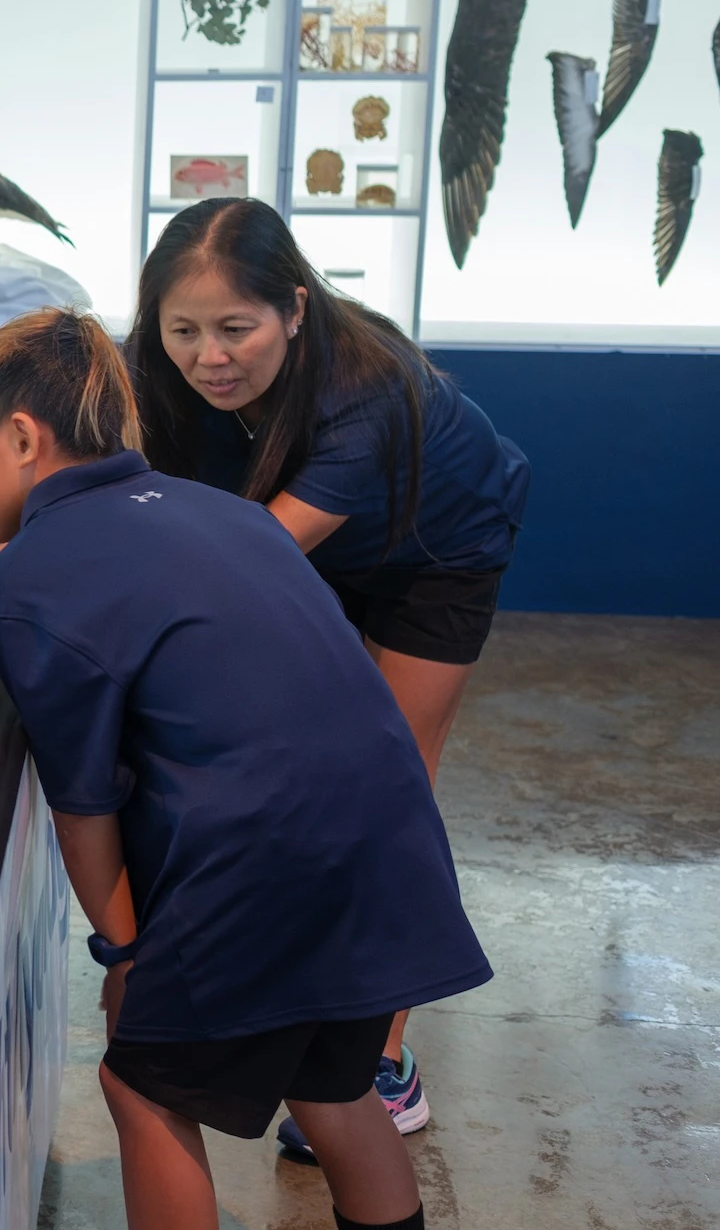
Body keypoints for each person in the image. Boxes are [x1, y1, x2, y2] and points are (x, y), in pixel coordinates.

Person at [0, 307, 488, 1230]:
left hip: (261, 862)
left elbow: (84, 803)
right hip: (386, 847)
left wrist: (123, 950)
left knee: (142, 1087)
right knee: (335, 1085)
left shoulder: (27, 585)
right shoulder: (221, 509)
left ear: (22, 438)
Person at [127, 198, 528, 1154]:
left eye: (236, 328)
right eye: (183, 330)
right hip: (313, 545)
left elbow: (253, 558)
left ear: (294, 309)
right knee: (296, 766)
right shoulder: (160, 363)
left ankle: (383, 1059)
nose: (208, 357)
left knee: (386, 784)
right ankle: (311, 994)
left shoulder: (366, 387)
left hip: (436, 552)